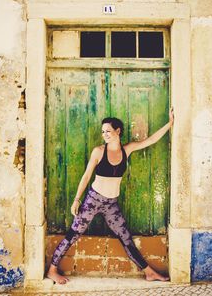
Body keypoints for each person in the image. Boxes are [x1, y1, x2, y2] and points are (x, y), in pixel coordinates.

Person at [47, 107, 174, 284]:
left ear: (118, 131)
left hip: (111, 205)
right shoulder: (98, 151)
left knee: (125, 237)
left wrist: (170, 123)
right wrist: (77, 199)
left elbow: (151, 140)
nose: (105, 134)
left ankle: (149, 272)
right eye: (103, 132)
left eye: (108, 131)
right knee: (74, 233)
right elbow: (86, 175)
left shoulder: (126, 150)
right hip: (93, 200)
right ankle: (52, 270)